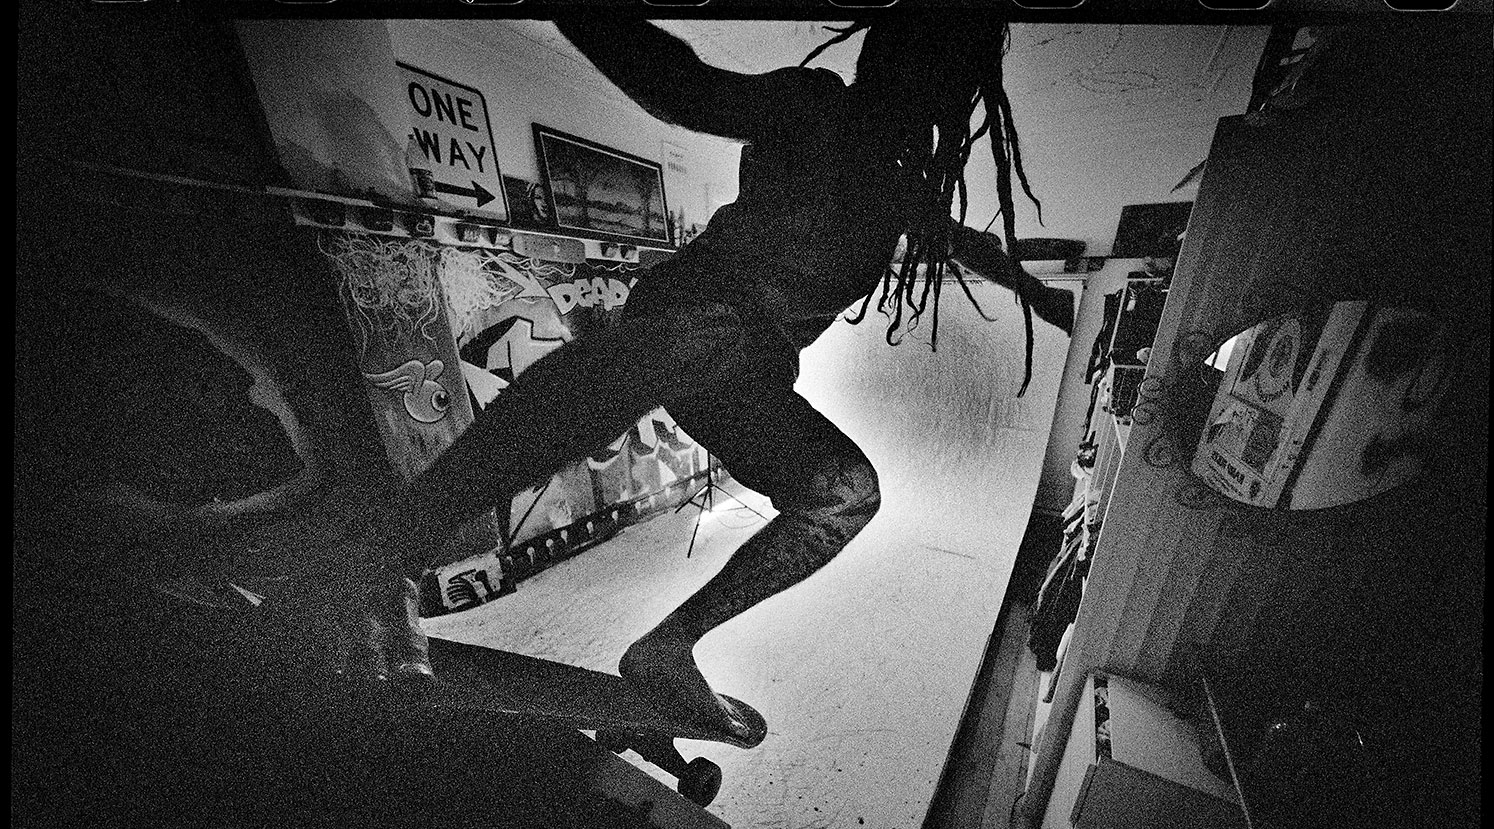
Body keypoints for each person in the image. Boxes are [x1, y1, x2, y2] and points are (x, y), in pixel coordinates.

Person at [292, 16, 1074, 743]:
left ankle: (666, 649)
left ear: (954, 95)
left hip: (753, 373)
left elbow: (966, 244)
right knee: (688, 347)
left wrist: (1039, 292)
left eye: (937, 76)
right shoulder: (813, 108)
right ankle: (382, 559)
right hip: (696, 317)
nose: (911, 83)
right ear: (882, 61)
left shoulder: (902, 184)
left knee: (844, 492)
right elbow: (686, 86)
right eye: (905, 60)